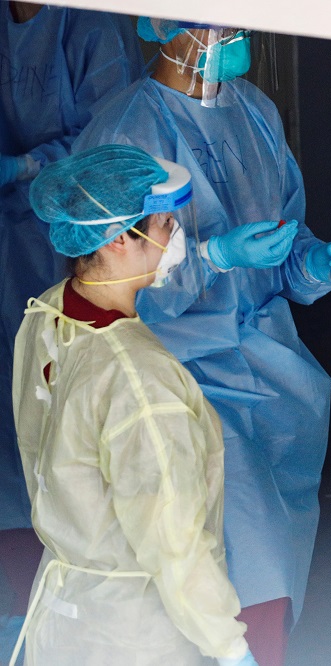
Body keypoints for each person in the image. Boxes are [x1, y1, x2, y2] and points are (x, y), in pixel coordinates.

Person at [72, 18, 331, 664]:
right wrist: (212, 256)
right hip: (180, 377)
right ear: (164, 26)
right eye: (218, 22)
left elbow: (285, 240)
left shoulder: (255, 113)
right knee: (238, 566)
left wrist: (314, 265)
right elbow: (110, 281)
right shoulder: (128, 130)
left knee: (275, 564)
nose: (235, 32)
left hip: (273, 378)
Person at [11, 144, 257, 665]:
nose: (177, 238)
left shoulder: (48, 312)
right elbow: (173, 540)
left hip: (67, 616)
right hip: (135, 637)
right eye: (167, 224)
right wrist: (229, 646)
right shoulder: (139, 380)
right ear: (122, 238)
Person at [0, 3, 143, 640]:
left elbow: (108, 143)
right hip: (12, 246)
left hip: (64, 238)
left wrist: (28, 168)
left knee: (69, 402)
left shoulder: (89, 28)